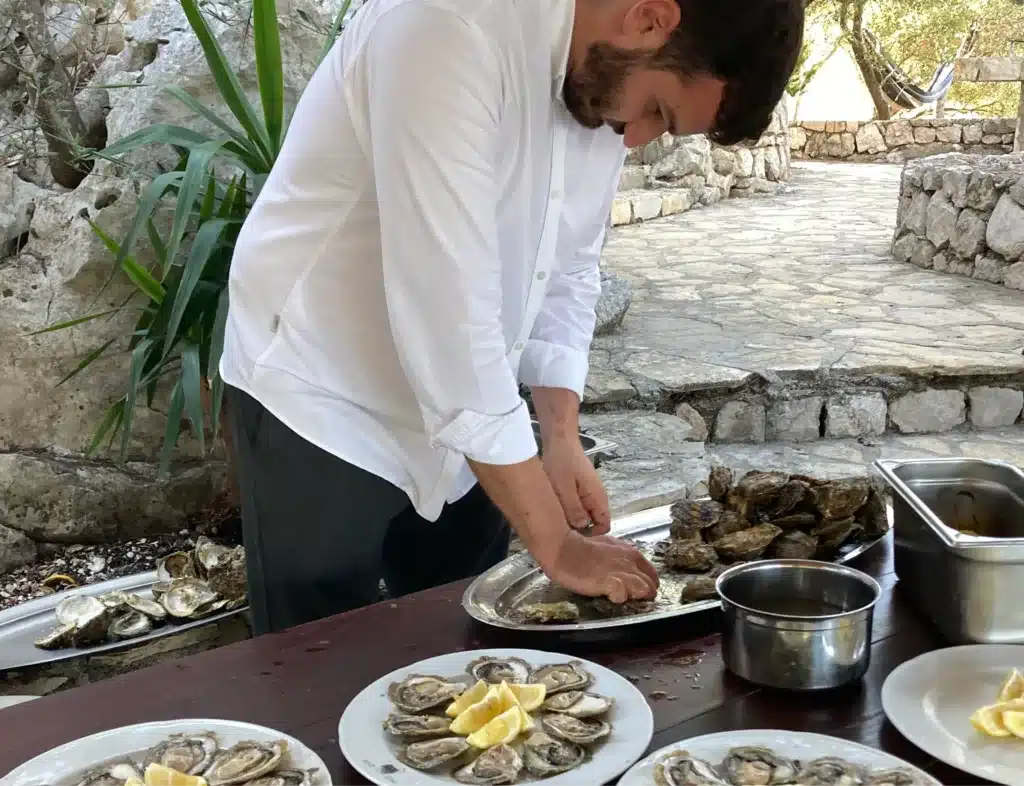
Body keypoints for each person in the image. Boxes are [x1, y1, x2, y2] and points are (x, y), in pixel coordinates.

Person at [219, 0, 804, 635]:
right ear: (648, 18)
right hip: (322, 391)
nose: (636, 137)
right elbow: (448, 313)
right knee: (314, 663)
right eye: (658, 111)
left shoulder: (600, 74)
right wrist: (554, 542)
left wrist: (560, 435)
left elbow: (569, 265)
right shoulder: (444, 24)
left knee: (469, 647)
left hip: (475, 407)